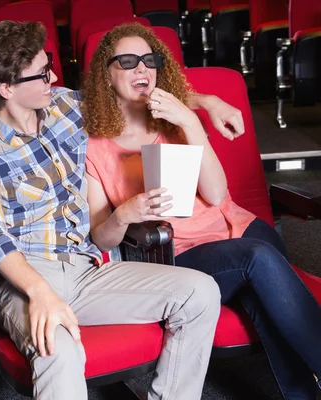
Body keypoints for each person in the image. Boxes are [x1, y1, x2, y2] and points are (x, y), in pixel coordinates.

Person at [0, 20, 222, 400]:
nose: (52, 77)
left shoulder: (66, 105)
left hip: (87, 270)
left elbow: (138, 94)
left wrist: (205, 102)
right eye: (41, 73)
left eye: (49, 67)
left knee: (200, 292)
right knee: (57, 349)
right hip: (26, 280)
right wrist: (39, 291)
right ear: (6, 88)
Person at [81, 22, 321, 400]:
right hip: (180, 254)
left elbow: (217, 192)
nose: (141, 69)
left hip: (239, 227)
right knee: (258, 261)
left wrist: (192, 118)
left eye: (149, 59)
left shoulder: (175, 119)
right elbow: (101, 235)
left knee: (261, 283)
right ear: (105, 76)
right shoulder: (94, 147)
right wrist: (125, 213)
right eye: (127, 61)